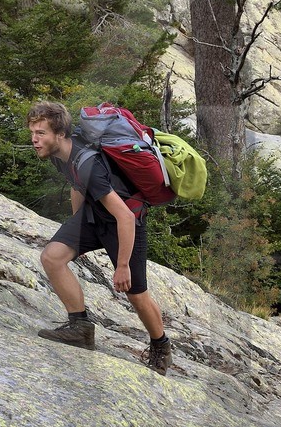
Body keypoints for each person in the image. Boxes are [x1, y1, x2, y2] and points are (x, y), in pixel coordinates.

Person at [27, 101, 172, 374]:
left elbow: (125, 217)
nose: (34, 140)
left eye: (41, 133)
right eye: (33, 133)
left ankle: (161, 346)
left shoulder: (88, 165)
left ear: (60, 134)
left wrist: (123, 266)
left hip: (124, 223)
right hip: (94, 216)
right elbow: (75, 186)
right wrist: (76, 227)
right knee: (52, 258)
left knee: (136, 295)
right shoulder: (59, 154)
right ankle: (80, 328)